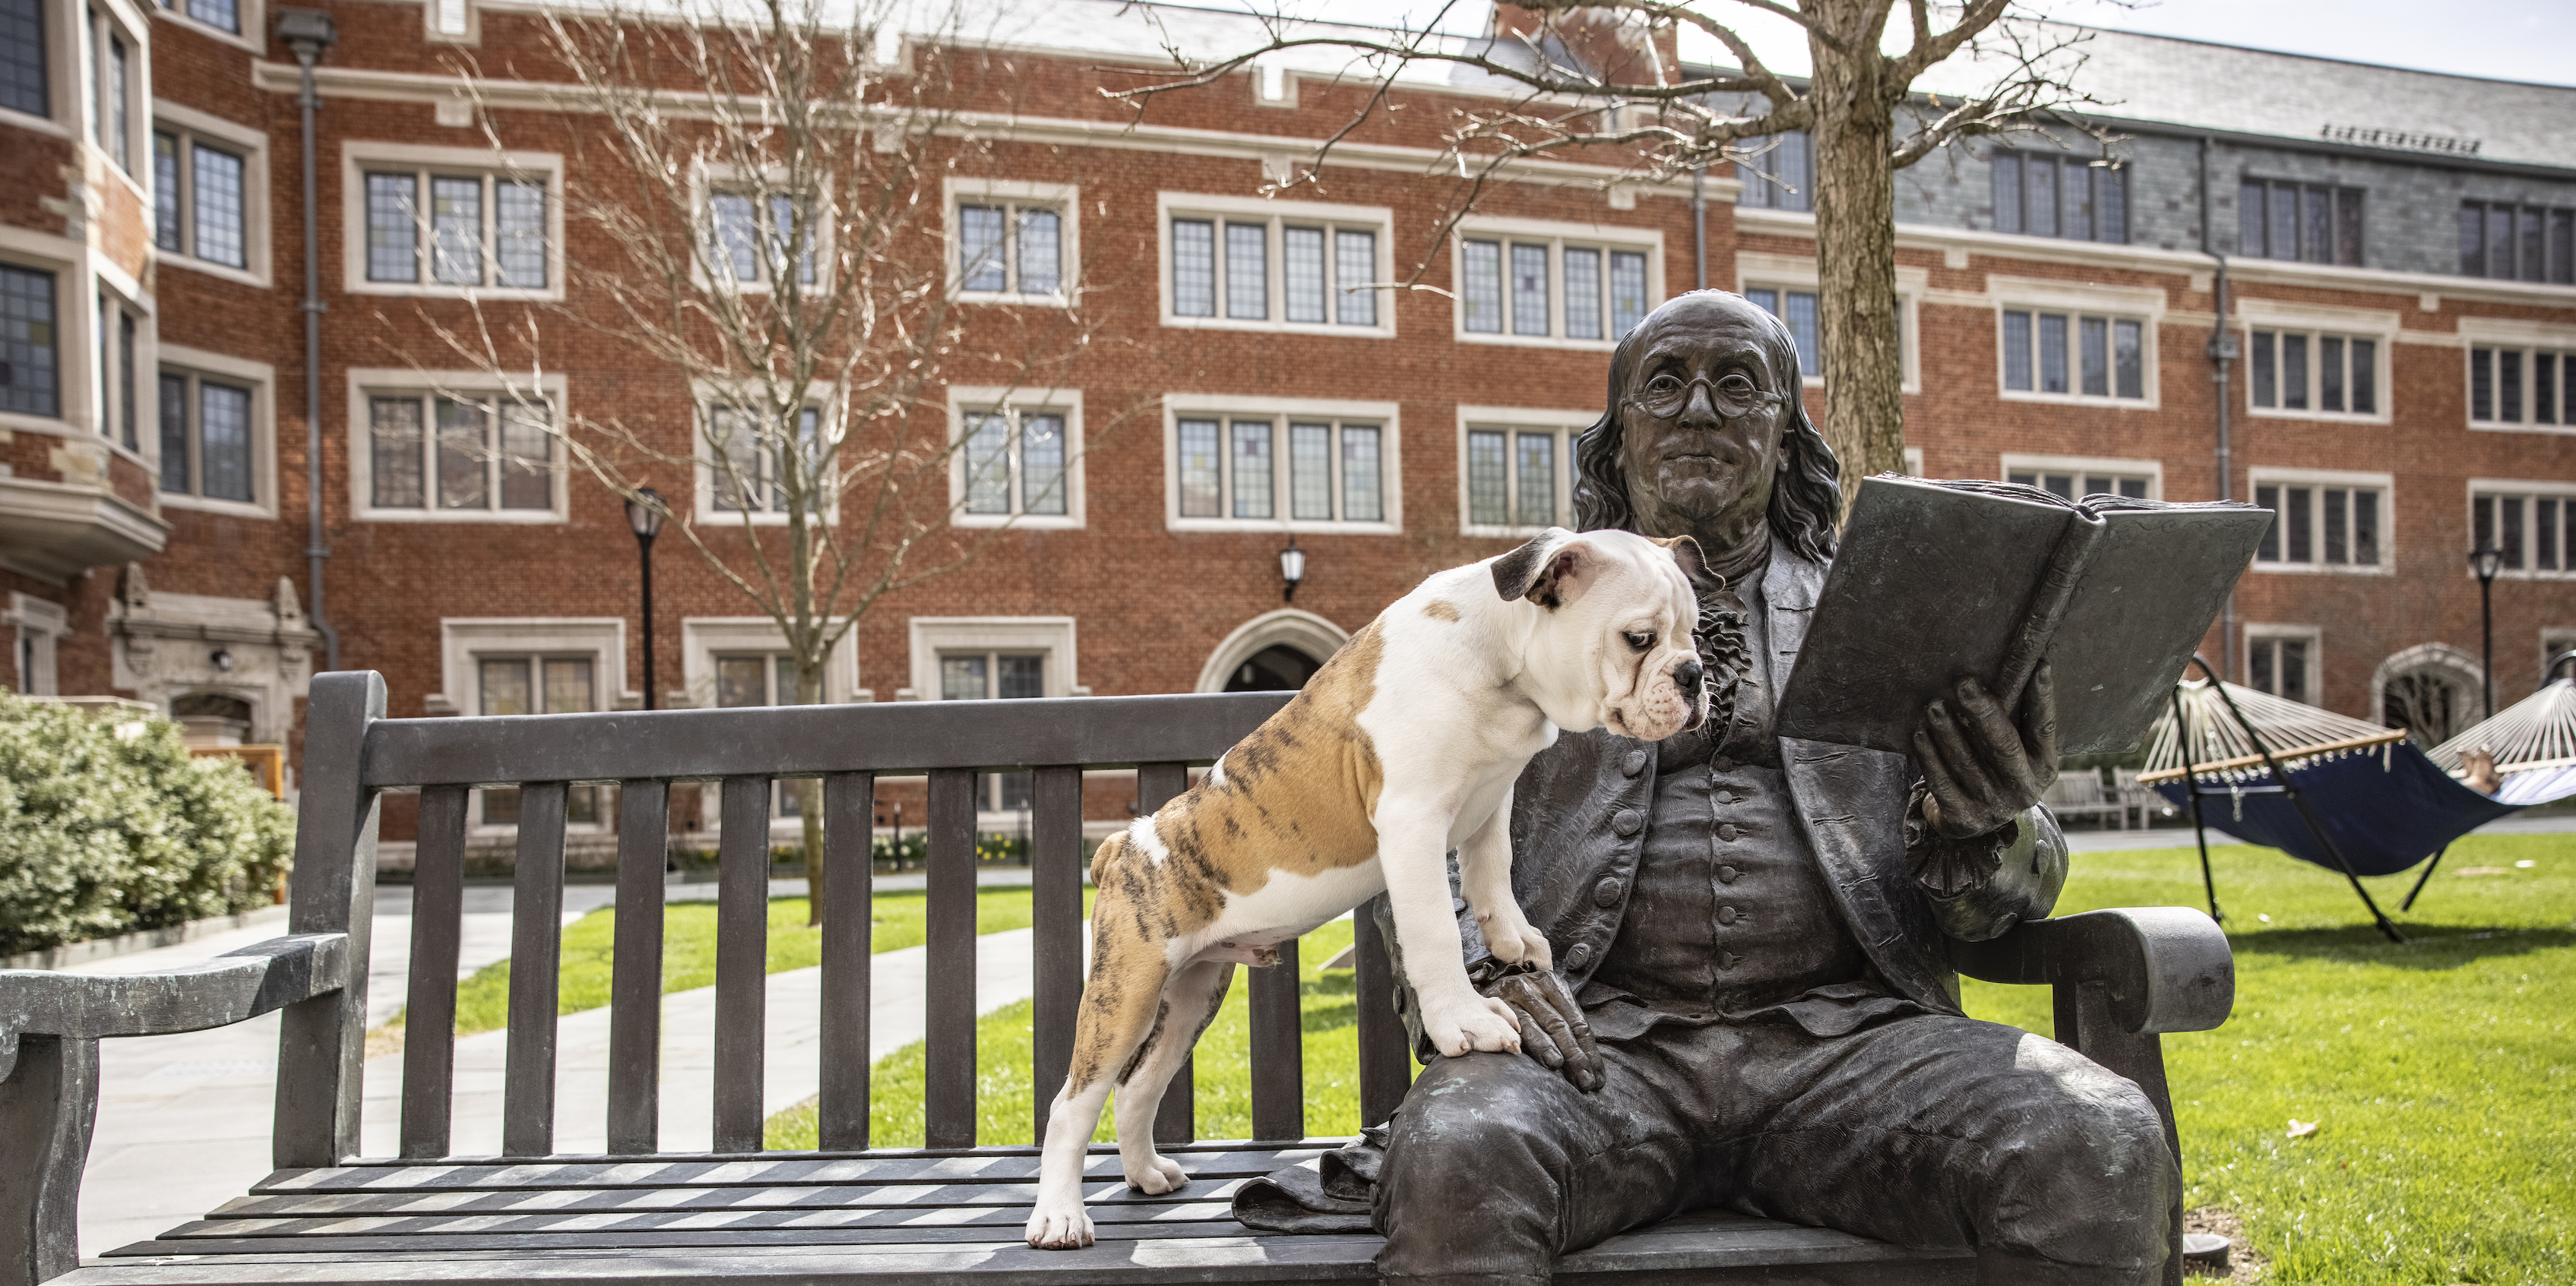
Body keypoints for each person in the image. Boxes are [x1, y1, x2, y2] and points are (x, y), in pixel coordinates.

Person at [1367, 292, 2176, 1284]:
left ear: (1786, 439)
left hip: (1851, 1050)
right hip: (1596, 1049)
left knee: (2095, 1138)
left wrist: (1984, 828)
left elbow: (2012, 892)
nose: (1698, 409)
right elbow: (1402, 818)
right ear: (1616, 438)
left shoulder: (1891, 611)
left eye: (1737, 387)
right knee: (1462, 1155)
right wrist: (1482, 976)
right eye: (1663, 385)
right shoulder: (1511, 615)